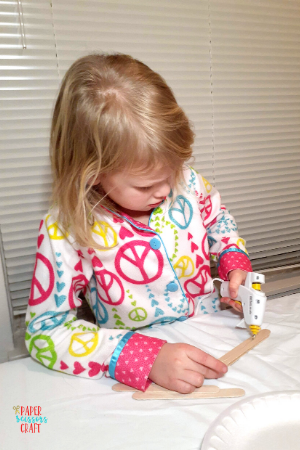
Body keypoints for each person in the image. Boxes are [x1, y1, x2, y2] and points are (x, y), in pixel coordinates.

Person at [25, 53, 252, 394]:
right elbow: (45, 331)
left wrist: (233, 260)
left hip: (212, 338)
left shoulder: (187, 183)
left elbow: (218, 220)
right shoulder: (66, 229)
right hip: (138, 375)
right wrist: (140, 357)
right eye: (146, 185)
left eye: (172, 169)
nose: (165, 190)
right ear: (92, 173)